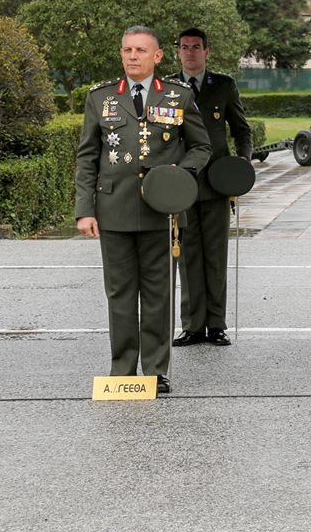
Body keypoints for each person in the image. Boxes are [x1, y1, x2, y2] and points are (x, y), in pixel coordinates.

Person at [75, 25, 211, 394]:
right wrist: (84, 210)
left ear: (157, 56)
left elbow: (202, 146)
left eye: (140, 50)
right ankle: (121, 369)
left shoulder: (178, 95)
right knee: (119, 293)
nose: (132, 56)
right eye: (126, 50)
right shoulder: (101, 97)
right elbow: (88, 156)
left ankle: (155, 370)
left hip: (161, 211)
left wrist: (178, 177)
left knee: (158, 292)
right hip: (114, 207)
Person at [168, 27, 252, 348]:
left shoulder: (224, 86)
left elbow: (242, 131)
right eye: (185, 47)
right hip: (182, 183)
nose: (190, 52)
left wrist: (242, 162)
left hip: (217, 183)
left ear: (207, 51)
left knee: (215, 256)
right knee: (187, 257)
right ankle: (192, 325)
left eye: (196, 47)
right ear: (178, 51)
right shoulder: (168, 88)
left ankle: (216, 324)